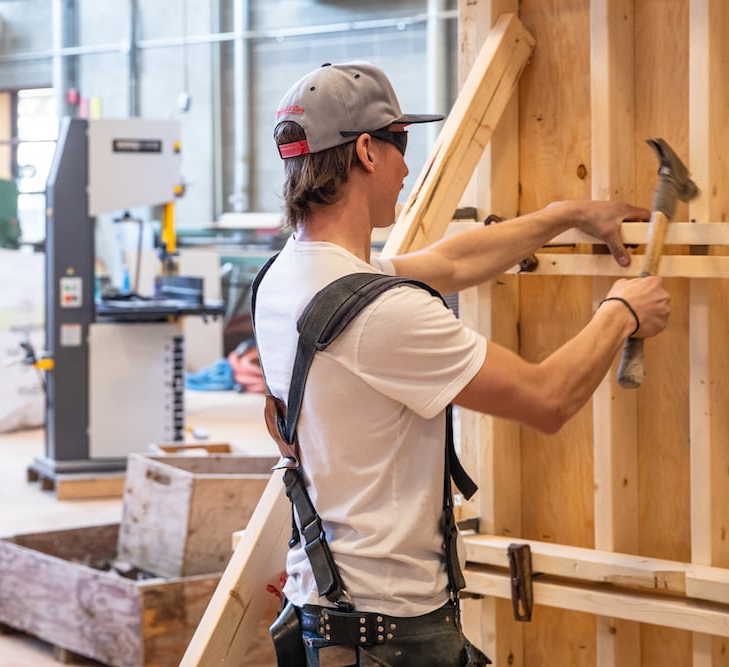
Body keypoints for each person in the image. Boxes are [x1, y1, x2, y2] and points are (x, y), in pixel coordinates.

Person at [252, 61, 671, 666]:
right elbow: (546, 398)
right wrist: (621, 312)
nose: (405, 169)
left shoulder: (290, 277)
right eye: (402, 144)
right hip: (391, 626)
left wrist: (564, 216)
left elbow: (447, 264)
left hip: (328, 610)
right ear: (368, 151)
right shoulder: (382, 315)